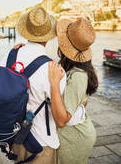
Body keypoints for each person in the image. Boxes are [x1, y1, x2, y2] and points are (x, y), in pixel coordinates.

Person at [0, 7, 86, 164]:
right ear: (48, 35)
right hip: (41, 143)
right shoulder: (54, 70)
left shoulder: (10, 54)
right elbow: (60, 117)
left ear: (26, 30)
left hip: (13, 135)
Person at [48, 18, 98, 164]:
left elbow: (62, 120)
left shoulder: (78, 76)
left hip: (74, 140)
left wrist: (54, 84)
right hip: (77, 134)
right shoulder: (77, 68)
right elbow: (84, 101)